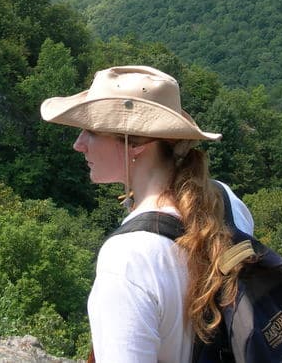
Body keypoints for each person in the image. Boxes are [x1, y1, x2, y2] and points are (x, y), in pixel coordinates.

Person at [41, 65, 254, 363]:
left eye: (90, 130)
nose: (78, 144)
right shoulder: (225, 201)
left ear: (136, 144)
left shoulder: (127, 259)